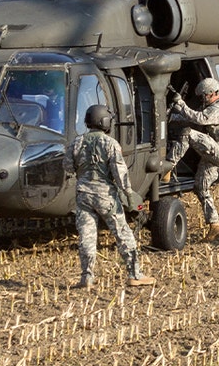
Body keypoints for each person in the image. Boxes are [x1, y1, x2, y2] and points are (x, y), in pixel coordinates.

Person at [64, 105, 156, 288]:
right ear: (105, 122)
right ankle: (134, 274)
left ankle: (87, 278)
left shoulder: (76, 143)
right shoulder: (111, 144)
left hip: (83, 195)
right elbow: (120, 175)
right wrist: (129, 196)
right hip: (106, 196)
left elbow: (67, 167)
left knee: (86, 237)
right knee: (123, 234)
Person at [164, 77, 219, 241]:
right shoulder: (213, 107)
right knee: (200, 187)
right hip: (214, 151)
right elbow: (195, 117)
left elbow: (200, 119)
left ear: (212, 94)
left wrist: (181, 105)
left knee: (188, 133)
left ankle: (168, 166)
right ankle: (215, 226)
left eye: (203, 96)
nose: (202, 99)